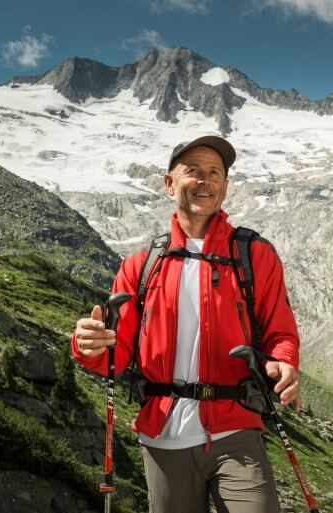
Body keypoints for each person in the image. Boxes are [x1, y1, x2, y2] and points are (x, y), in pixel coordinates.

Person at [71, 135, 301, 513]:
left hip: (236, 429)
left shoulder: (255, 254)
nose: (204, 181)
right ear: (169, 183)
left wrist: (284, 361)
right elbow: (116, 358)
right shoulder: (140, 265)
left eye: (214, 173)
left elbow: (280, 331)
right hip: (163, 438)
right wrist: (89, 346)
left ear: (225, 187)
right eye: (192, 171)